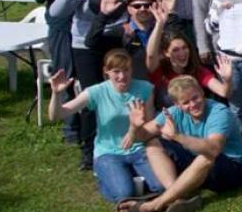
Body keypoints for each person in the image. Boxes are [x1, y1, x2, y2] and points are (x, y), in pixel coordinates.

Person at [49, 0, 135, 170]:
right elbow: (55, 12)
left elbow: (133, 12)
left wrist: (131, 25)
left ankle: (119, 139)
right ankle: (88, 149)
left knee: (118, 94)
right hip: (85, 47)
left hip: (115, 45)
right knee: (92, 96)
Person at [121, 76, 242, 212]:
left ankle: (154, 205)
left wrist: (177, 136)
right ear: (177, 105)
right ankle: (177, 197)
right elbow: (144, 135)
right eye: (186, 102)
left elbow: (214, 149)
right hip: (198, 163)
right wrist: (134, 127)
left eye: (195, 97)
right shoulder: (174, 113)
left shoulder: (219, 112)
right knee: (153, 144)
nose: (193, 104)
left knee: (206, 156)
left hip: (233, 169)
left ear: (202, 92)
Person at [46, 50, 160, 203]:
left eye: (126, 70)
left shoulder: (145, 89)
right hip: (109, 152)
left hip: (138, 148)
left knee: (160, 186)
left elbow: (150, 127)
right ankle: (106, 176)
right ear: (107, 72)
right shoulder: (97, 92)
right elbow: (57, 115)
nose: (122, 76)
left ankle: (129, 175)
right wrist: (56, 93)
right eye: (116, 71)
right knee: (125, 193)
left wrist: (134, 130)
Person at [29, 0, 79, 145]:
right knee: (65, 75)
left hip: (85, 20)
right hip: (61, 25)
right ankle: (71, 129)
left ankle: (91, 122)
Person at [145, 0, 232, 106]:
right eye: (175, 50)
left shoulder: (196, 71)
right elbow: (151, 55)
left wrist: (227, 80)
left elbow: (224, 92)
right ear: (166, 53)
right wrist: (159, 24)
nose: (182, 53)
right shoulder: (159, 71)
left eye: (184, 48)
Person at [85, 0, 159, 79]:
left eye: (147, 5)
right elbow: (91, 42)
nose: (142, 9)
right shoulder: (120, 33)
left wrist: (169, 13)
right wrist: (103, 15)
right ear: (129, 9)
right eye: (137, 6)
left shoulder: (161, 31)